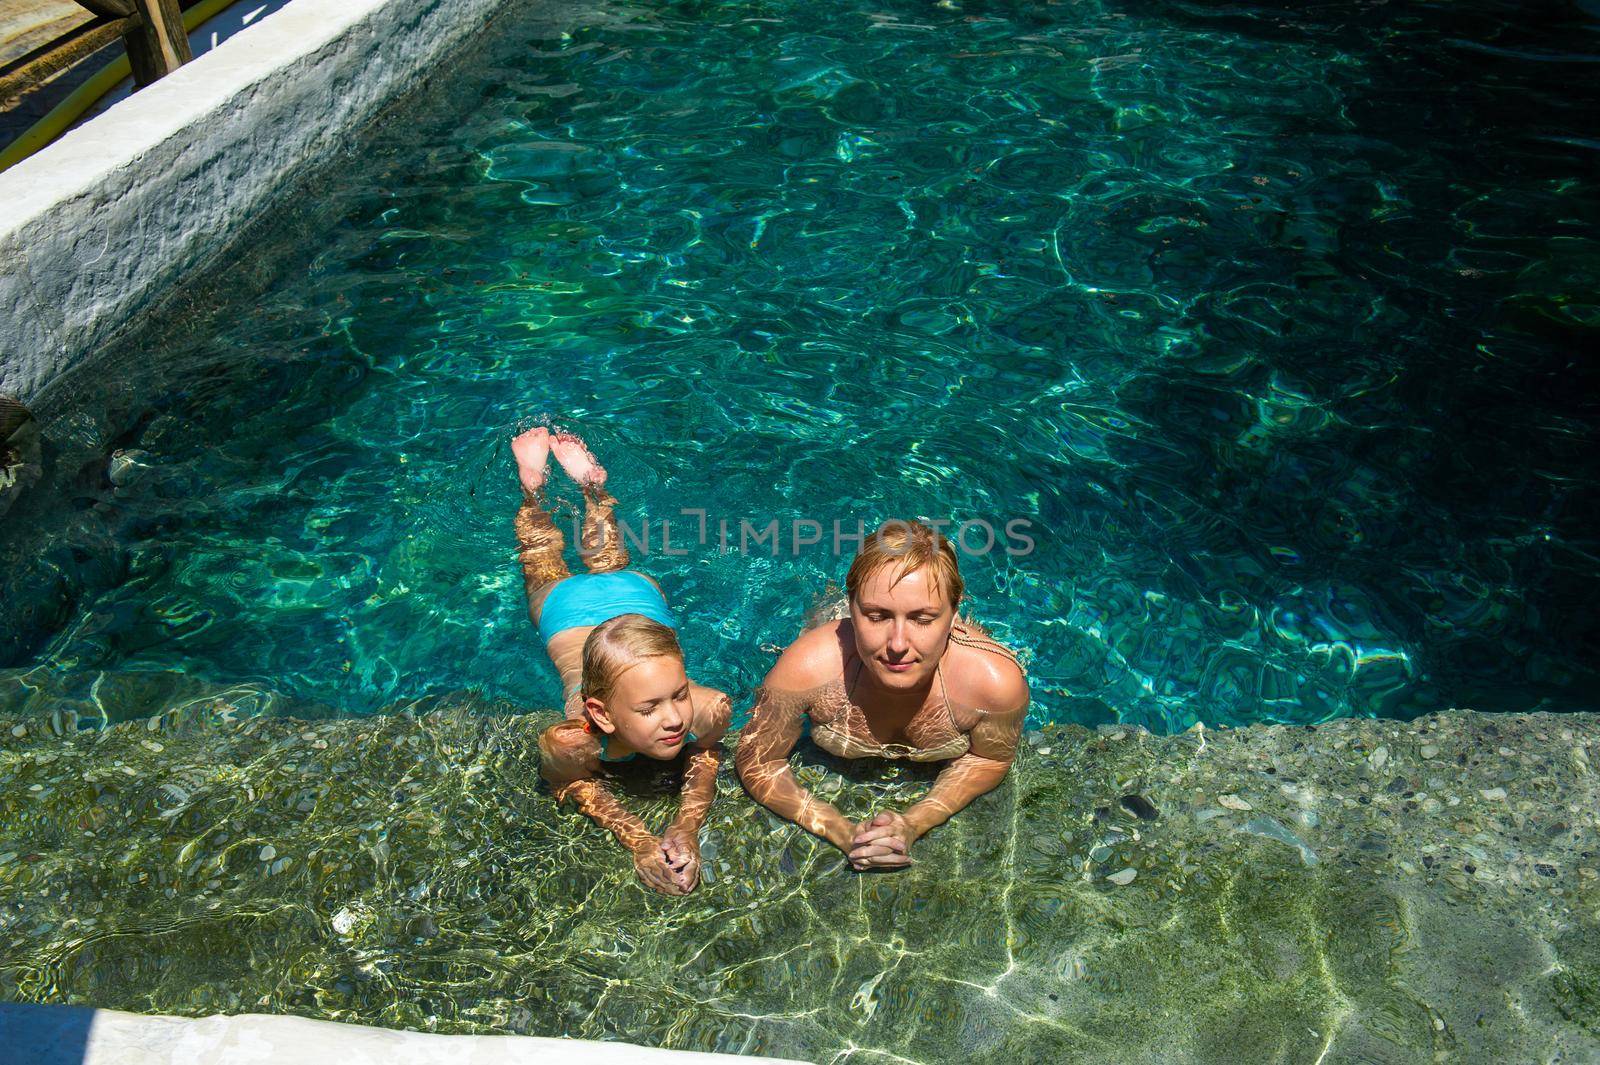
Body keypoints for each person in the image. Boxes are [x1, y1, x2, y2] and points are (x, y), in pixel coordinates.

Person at [735, 520, 1028, 871]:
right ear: (852, 605)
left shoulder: (992, 683)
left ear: (953, 613)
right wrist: (842, 831)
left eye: (923, 618)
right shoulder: (808, 669)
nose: (898, 645)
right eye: (876, 616)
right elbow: (758, 759)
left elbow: (989, 759)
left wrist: (914, 822)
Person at [511, 427, 730, 896]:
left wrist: (686, 827)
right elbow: (571, 783)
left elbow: (706, 755)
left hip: (630, 601)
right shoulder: (572, 741)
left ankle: (537, 489)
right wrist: (637, 838)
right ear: (600, 714)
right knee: (589, 557)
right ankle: (588, 489)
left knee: (541, 552)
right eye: (650, 709)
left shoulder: (711, 708)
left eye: (680, 694)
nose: (675, 718)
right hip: (572, 607)